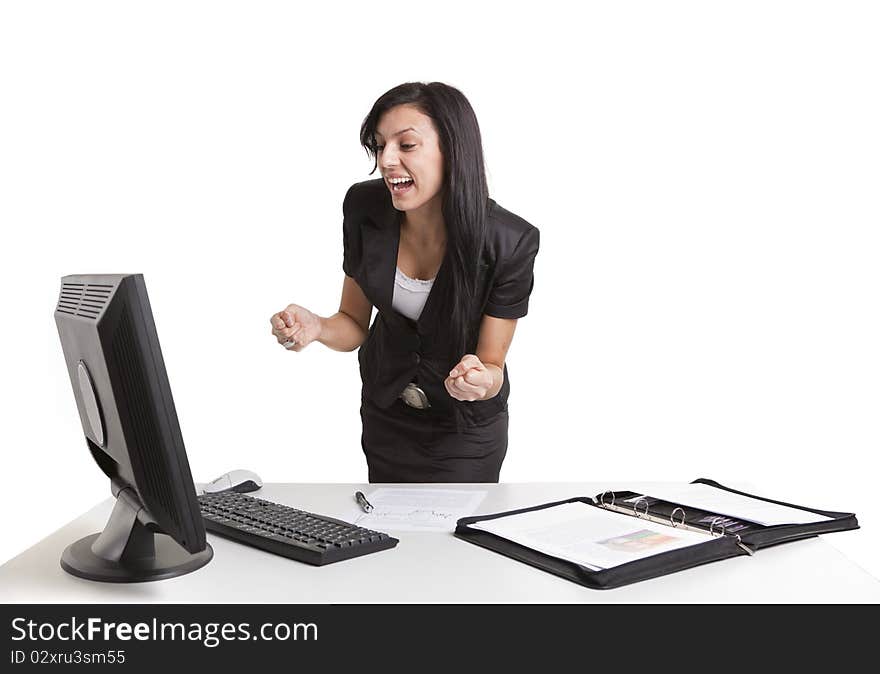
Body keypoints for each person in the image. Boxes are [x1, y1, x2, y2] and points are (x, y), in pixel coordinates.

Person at [270, 81, 539, 483]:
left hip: (463, 429)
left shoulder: (509, 241)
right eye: (379, 146)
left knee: (454, 542)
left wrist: (478, 381)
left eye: (406, 145)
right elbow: (353, 322)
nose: (386, 160)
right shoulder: (364, 208)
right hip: (386, 415)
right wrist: (318, 327)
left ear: (452, 149)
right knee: (386, 535)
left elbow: (492, 365)